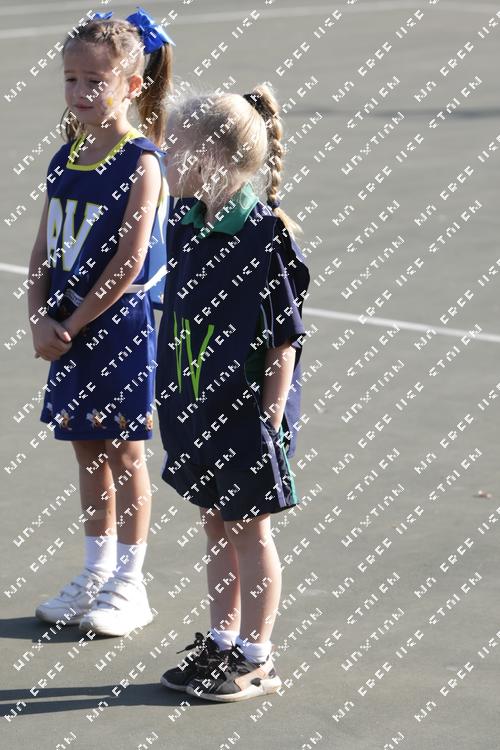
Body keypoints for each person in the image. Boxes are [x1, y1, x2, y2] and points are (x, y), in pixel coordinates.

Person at [155, 84, 311, 701]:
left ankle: (257, 658)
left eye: (175, 148)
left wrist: (267, 420)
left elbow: (283, 342)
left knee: (249, 530)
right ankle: (221, 643)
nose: (164, 156)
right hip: (201, 408)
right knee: (215, 523)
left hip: (247, 417)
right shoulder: (185, 222)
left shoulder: (265, 238)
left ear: (212, 160)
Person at [28, 7, 174, 637]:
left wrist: (74, 323)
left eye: (96, 81)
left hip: (118, 330)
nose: (81, 91)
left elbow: (129, 261)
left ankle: (131, 584)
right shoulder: (66, 158)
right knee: (87, 450)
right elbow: (42, 251)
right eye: (71, 79)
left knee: (125, 452)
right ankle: (96, 572)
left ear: (131, 85)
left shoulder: (142, 161)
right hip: (66, 331)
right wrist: (39, 318)